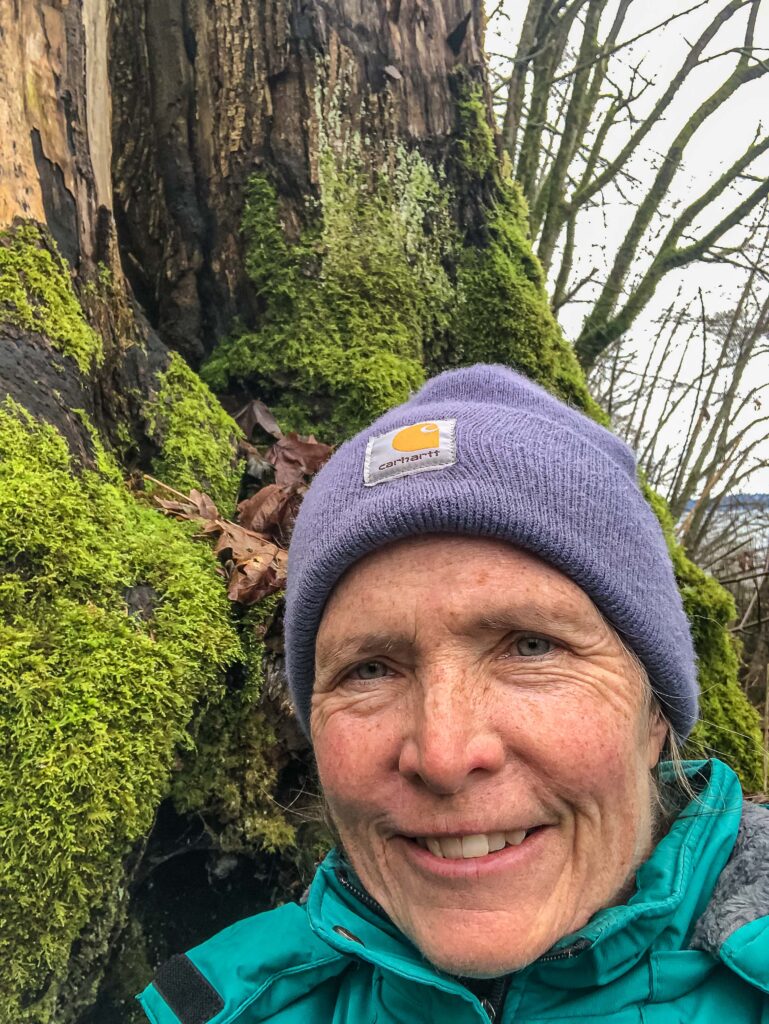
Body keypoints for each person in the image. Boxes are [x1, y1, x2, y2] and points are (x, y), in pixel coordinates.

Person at [139, 365, 769, 1024]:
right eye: (370, 670)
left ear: (653, 717)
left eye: (530, 647)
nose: (441, 756)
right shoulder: (223, 1004)